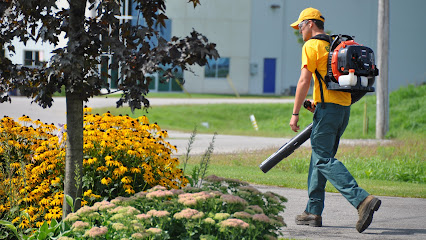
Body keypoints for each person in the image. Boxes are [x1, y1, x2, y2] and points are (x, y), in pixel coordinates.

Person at [289, 7, 381, 233]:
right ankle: (313, 211)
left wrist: (295, 113)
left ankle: (362, 200)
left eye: (300, 25)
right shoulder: (334, 46)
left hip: (329, 112)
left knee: (322, 158)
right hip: (341, 110)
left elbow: (303, 81)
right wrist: (316, 103)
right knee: (320, 158)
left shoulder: (311, 46)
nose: (299, 30)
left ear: (311, 24)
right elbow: (330, 83)